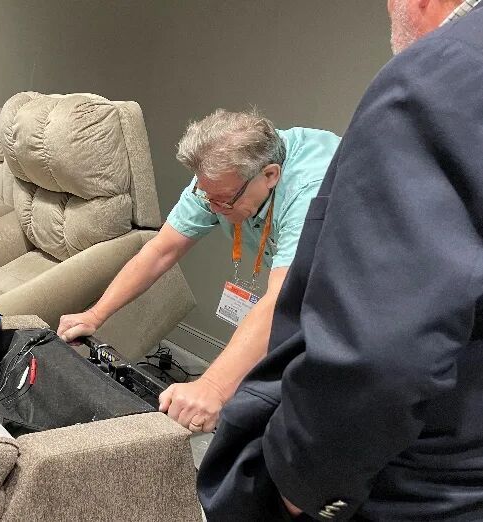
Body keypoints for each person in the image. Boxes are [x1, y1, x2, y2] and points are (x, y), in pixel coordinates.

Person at [197, 1, 483, 520]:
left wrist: (302, 485)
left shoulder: (433, 82)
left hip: (423, 486)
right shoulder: (217, 178)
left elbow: (381, 353)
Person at [58, 110, 339, 433]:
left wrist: (213, 387)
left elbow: (282, 300)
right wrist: (95, 315)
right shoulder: (219, 178)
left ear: (270, 175)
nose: (213, 207)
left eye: (224, 201)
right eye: (208, 197)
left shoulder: (309, 191)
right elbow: (161, 251)